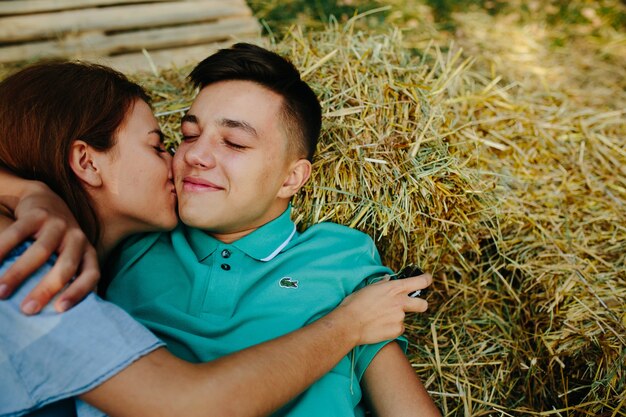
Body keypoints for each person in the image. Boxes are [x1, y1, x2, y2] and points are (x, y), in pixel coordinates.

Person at [0, 60, 432, 417]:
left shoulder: (340, 256)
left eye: (235, 142)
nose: (191, 156)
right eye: (183, 137)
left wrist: (28, 194)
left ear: (292, 177)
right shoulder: (123, 248)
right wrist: (28, 193)